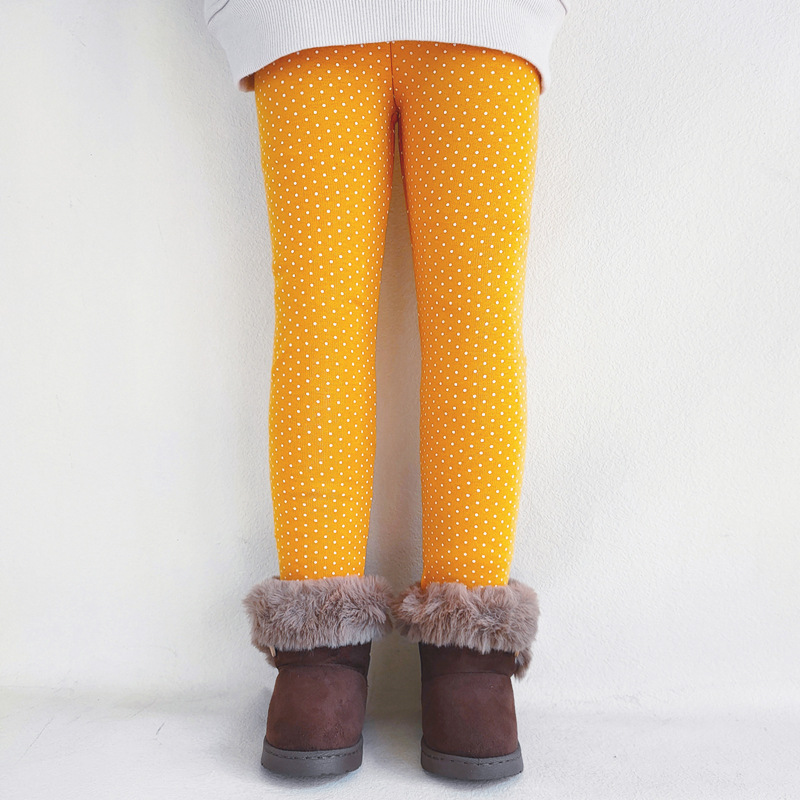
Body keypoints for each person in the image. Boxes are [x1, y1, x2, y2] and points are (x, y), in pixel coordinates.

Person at [203, 0, 570, 781]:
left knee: (321, 326)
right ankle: (468, 679)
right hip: (477, 23)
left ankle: (321, 671)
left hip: (307, 23)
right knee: (474, 328)